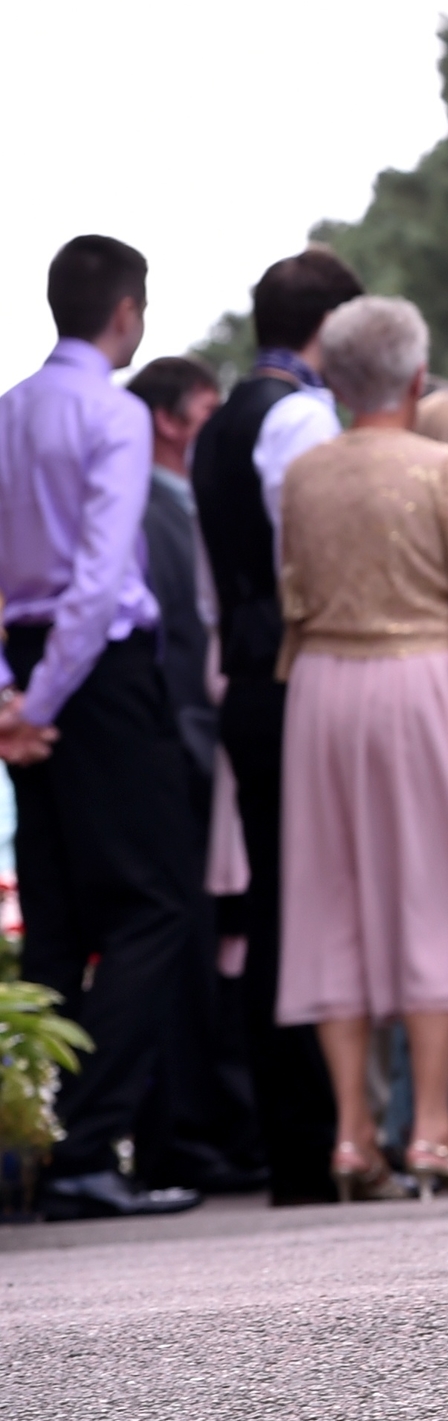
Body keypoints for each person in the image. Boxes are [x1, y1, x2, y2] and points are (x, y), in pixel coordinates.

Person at [274, 296, 448, 1200]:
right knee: (435, 892)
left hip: (321, 685)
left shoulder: (304, 473)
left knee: (333, 895)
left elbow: (295, 594)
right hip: (427, 680)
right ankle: (431, 1130)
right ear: (418, 379)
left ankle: (354, 1135)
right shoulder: (442, 467)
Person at [0, 237, 205, 1220]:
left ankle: (33, 1145)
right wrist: (39, 704)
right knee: (153, 907)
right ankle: (87, 1142)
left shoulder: (8, 412)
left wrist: (12, 697)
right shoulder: (114, 414)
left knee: (55, 921)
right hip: (100, 676)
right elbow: (96, 574)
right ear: (126, 312)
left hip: (29, 669)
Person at [190, 244, 363, 1206]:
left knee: (271, 908)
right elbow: (315, 556)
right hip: (299, 677)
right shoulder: (300, 417)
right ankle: (318, 1134)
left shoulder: (218, 423)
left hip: (248, 680)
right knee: (313, 903)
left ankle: (292, 1136)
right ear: (330, 328)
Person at [128, 353, 260, 1194]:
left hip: (199, 739)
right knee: (186, 936)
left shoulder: (182, 503)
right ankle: (194, 1125)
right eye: (207, 408)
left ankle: (216, 1120)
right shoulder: (151, 508)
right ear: (173, 419)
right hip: (181, 741)